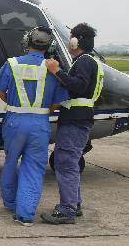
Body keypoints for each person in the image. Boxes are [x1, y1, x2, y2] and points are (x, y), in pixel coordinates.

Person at [0, 27, 69, 226]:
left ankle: (10, 202)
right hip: (39, 123)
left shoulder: (12, 63)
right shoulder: (53, 68)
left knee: (10, 161)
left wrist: (15, 104)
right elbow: (58, 102)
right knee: (33, 168)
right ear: (50, 45)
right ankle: (25, 214)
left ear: (27, 42)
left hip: (14, 120)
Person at [41, 23, 103, 225]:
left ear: (77, 41)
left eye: (71, 37)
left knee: (65, 162)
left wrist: (56, 71)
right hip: (77, 118)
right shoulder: (86, 61)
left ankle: (67, 209)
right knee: (69, 162)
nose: (69, 41)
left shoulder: (84, 62)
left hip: (75, 119)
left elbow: (79, 86)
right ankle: (74, 205)